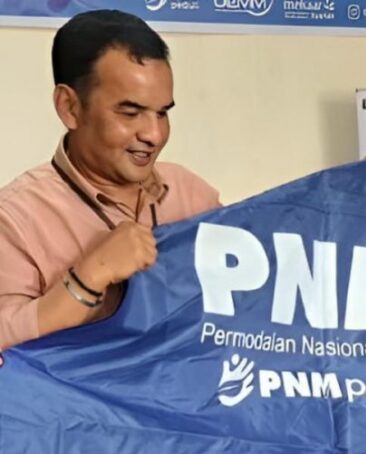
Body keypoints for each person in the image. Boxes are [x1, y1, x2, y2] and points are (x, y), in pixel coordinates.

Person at [0, 10, 220, 351]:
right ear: (70, 107)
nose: (154, 134)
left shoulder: (192, 196)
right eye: (131, 113)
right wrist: (91, 275)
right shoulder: (15, 219)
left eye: (162, 113)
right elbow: (6, 349)